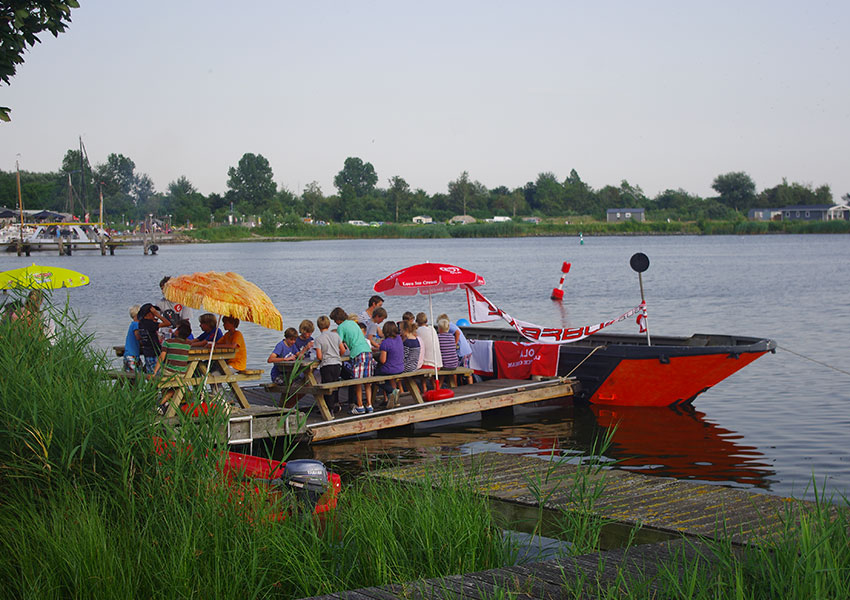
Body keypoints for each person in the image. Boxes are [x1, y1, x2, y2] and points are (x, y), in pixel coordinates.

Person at [331, 306, 374, 414]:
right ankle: (369, 405)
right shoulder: (353, 323)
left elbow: (339, 342)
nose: (335, 323)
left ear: (337, 319)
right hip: (368, 351)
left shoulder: (341, 327)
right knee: (367, 382)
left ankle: (360, 406)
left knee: (357, 382)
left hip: (357, 353)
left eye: (334, 320)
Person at [152, 319, 192, 414]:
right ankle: (165, 405)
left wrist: (154, 372)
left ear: (177, 332)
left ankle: (161, 404)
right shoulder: (188, 344)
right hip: (181, 374)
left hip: (168, 372)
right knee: (175, 387)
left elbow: (162, 357)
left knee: (167, 384)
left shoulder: (168, 342)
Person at [314, 315, 346, 413]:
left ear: (318, 326)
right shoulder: (336, 335)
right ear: (329, 324)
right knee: (335, 384)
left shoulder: (318, 339)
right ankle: (336, 405)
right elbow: (343, 350)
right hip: (337, 363)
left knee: (327, 386)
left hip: (326, 364)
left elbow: (319, 356)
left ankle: (329, 408)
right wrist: (337, 355)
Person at [375, 320, 404, 408]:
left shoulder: (385, 343)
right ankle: (392, 399)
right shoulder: (399, 338)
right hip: (400, 367)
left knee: (374, 376)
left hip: (391, 368)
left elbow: (383, 360)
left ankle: (391, 391)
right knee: (389, 378)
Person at [136, 303, 171, 374]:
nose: (155, 315)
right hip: (154, 353)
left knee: (151, 376)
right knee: (157, 376)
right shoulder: (150, 324)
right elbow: (168, 323)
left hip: (147, 353)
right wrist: (158, 315)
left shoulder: (141, 323)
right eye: (153, 313)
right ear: (149, 314)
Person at [439, 313, 473, 384]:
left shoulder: (450, 326)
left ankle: (456, 385)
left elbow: (457, 333)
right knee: (463, 370)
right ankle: (463, 385)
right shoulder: (452, 325)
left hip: (463, 351)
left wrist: (454, 344)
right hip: (466, 350)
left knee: (465, 372)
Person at [123, 305, 141, 372]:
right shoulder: (136, 324)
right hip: (132, 355)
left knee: (131, 375)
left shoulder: (132, 324)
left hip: (129, 353)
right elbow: (137, 336)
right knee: (135, 375)